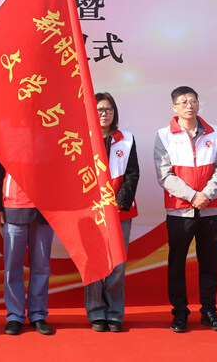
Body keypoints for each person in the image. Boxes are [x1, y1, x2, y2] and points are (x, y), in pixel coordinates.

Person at [154, 86, 217, 333]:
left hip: (211, 209)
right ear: (174, 107)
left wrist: (206, 195)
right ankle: (179, 313)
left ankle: (209, 311)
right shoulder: (164, 135)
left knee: (210, 263)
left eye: (193, 101)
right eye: (183, 102)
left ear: (198, 103)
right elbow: (164, 175)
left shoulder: (215, 132)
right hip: (180, 212)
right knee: (177, 263)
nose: (189, 105)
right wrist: (193, 196)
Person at [84, 92, 139, 333]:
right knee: (94, 263)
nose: (104, 113)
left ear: (114, 113)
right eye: (99, 109)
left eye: (108, 109)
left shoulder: (126, 139)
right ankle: (96, 312)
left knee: (118, 264)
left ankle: (115, 313)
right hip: (91, 213)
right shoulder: (81, 139)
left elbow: (133, 173)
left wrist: (119, 201)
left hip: (120, 211)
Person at [0, 153, 55, 336]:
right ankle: (15, 316)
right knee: (12, 267)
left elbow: (60, 170)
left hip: (45, 209)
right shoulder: (5, 138)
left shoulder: (50, 137)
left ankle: (38, 314)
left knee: (41, 266)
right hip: (14, 207)